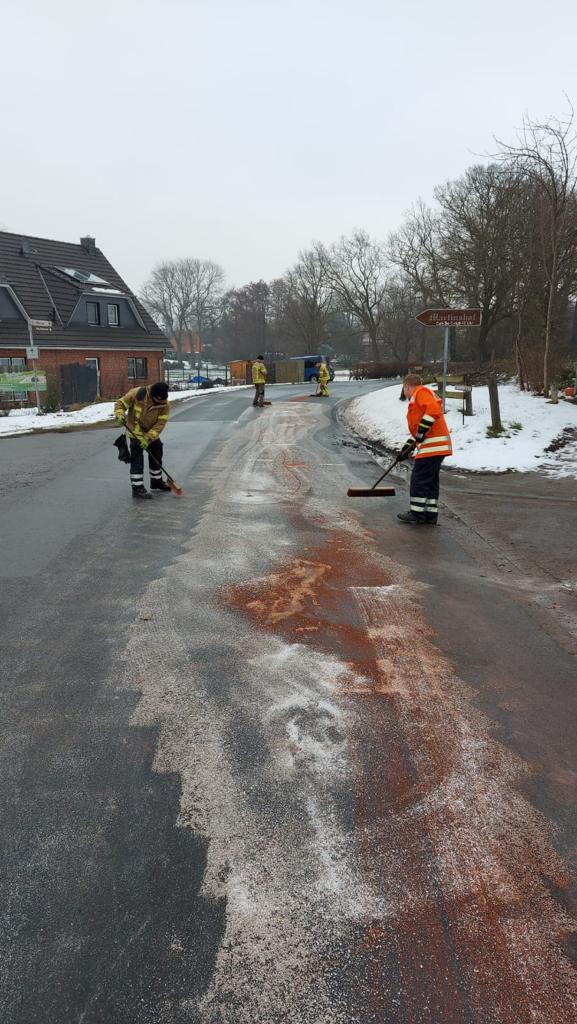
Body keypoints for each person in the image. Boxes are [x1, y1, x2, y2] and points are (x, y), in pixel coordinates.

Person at [397, 374, 452, 525]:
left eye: (404, 389)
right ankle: (429, 514)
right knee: (430, 481)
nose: (405, 393)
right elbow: (418, 433)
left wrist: (421, 431)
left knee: (419, 480)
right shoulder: (418, 398)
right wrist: (405, 450)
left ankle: (417, 513)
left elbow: (433, 411)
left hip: (432, 447)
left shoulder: (421, 393)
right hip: (435, 447)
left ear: (407, 387)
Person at [114, 381, 171, 499]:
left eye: (162, 402)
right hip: (135, 432)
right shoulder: (137, 394)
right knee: (137, 459)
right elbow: (120, 404)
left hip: (151, 433)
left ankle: (156, 482)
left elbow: (160, 423)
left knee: (157, 454)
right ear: (152, 395)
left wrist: (148, 438)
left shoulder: (165, 405)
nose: (160, 404)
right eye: (157, 401)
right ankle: (137, 488)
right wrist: (119, 415)